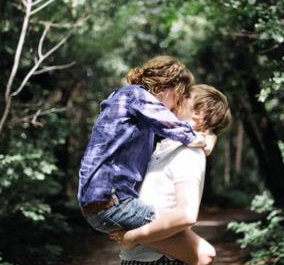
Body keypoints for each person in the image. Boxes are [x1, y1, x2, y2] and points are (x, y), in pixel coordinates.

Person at [78, 56, 216, 235]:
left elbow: (168, 135)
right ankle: (132, 241)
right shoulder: (136, 96)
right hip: (111, 202)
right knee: (180, 225)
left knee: (175, 230)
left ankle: (131, 239)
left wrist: (210, 131)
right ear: (167, 87)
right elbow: (181, 131)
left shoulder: (130, 105)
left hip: (100, 205)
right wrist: (208, 139)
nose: (176, 105)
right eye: (179, 97)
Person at [115, 84, 232, 265]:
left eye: (185, 95)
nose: (176, 97)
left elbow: (186, 214)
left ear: (198, 112)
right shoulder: (169, 146)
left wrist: (132, 236)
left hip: (159, 262)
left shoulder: (188, 153)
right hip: (141, 259)